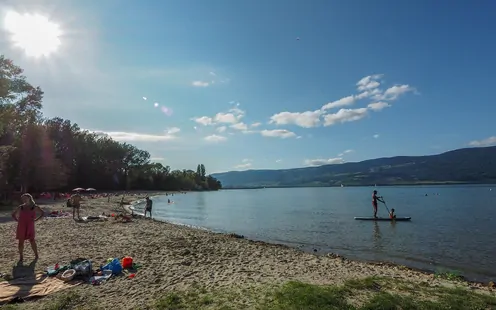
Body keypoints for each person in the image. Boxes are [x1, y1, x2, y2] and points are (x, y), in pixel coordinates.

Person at [11, 193, 44, 262]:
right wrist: (18, 220)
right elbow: (13, 214)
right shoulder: (21, 207)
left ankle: (36, 255)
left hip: (30, 225)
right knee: (21, 242)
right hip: (21, 226)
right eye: (23, 199)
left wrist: (35, 220)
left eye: (25, 198)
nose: (24, 200)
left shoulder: (34, 207)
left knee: (32, 240)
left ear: (29, 198)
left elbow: (42, 213)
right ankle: (21, 256)